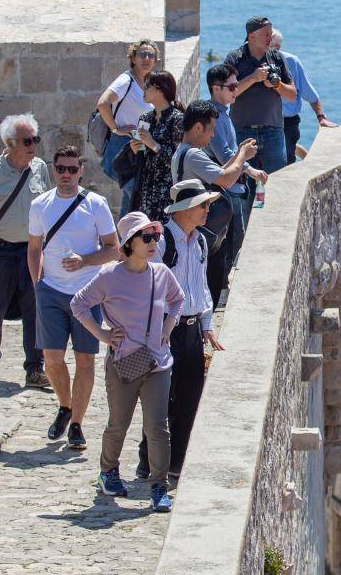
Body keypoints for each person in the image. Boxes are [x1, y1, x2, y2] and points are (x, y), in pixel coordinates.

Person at [71, 211, 186, 513]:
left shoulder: (161, 273)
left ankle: (159, 486)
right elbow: (79, 304)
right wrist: (103, 335)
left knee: (157, 427)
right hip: (123, 361)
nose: (153, 243)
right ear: (129, 243)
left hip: (159, 363)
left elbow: (178, 299)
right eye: (145, 237)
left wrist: (169, 326)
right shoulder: (110, 276)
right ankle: (108, 471)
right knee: (118, 424)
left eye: (155, 236)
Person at [28, 145, 120, 452]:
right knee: (52, 359)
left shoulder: (95, 204)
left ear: (81, 171)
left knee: (84, 359)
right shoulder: (40, 204)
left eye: (71, 169)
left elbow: (113, 248)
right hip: (51, 290)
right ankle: (64, 406)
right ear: (53, 170)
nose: (65, 175)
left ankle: (77, 423)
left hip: (86, 292)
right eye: (60, 169)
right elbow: (33, 247)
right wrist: (37, 282)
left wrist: (84, 261)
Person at [135, 178, 225, 483]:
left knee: (189, 397)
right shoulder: (161, 243)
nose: (207, 211)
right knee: (161, 398)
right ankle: (148, 461)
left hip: (189, 332)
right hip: (164, 330)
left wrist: (206, 325)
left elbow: (201, 288)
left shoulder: (199, 241)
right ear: (185, 209)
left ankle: (176, 463)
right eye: (203, 205)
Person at [0, 114, 53, 387]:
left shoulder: (40, 168)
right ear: (10, 142)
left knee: (34, 310)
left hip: (30, 251)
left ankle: (34, 367)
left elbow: (47, 210)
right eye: (27, 141)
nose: (33, 146)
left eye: (35, 139)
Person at [174, 99, 260, 308]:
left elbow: (221, 172)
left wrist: (239, 152)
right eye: (210, 129)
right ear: (198, 127)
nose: (212, 135)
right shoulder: (193, 155)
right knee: (207, 288)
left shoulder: (184, 151)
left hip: (197, 226)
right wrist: (242, 155)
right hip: (204, 229)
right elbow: (226, 179)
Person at [225, 17, 297, 173]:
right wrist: (253, 78)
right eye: (266, 34)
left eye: (271, 34)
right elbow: (226, 95)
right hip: (242, 132)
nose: (270, 38)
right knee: (244, 187)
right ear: (251, 36)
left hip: (273, 132)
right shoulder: (235, 59)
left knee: (277, 184)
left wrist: (277, 85)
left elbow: (292, 95)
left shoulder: (277, 57)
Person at [97, 40, 160, 212]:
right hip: (121, 147)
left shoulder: (148, 83)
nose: (146, 58)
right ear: (133, 58)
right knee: (134, 192)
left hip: (139, 148)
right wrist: (115, 128)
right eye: (142, 54)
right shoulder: (126, 80)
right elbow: (103, 103)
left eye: (151, 55)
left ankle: (125, 237)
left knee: (132, 198)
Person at [269, 28, 337, 168]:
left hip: (286, 122)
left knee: (285, 163)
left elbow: (310, 94)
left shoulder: (291, 62)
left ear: (277, 47)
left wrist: (321, 117)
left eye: (267, 43)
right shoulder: (253, 61)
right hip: (261, 121)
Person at [129, 70, 187, 229]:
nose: (143, 90)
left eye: (147, 86)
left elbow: (178, 157)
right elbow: (141, 156)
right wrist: (136, 149)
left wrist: (153, 144)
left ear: (159, 90)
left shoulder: (177, 119)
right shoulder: (145, 118)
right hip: (146, 187)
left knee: (165, 232)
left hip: (167, 189)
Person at [205, 63, 256, 241]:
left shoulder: (222, 114)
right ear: (216, 88)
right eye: (232, 86)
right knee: (234, 243)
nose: (236, 90)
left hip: (232, 186)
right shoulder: (214, 116)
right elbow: (224, 155)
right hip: (227, 189)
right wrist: (250, 169)